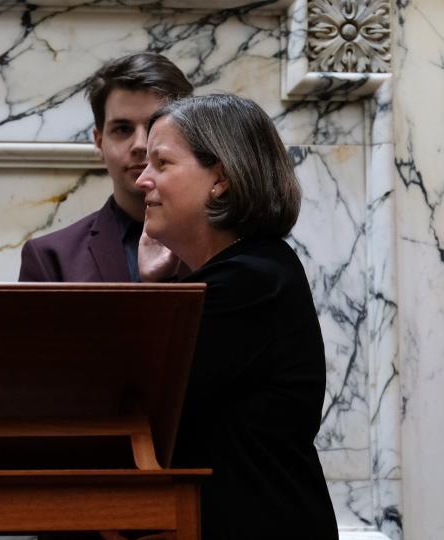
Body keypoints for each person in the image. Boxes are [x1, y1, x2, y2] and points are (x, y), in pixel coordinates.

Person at [135, 94, 338, 539]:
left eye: (162, 163)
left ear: (221, 179)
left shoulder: (252, 280)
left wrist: (155, 291)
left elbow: (134, 395)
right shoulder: (251, 271)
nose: (142, 180)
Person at [18, 53, 192, 282]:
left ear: (189, 139)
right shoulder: (51, 258)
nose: (140, 145)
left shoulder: (227, 246)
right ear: (99, 142)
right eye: (122, 129)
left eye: (155, 127)